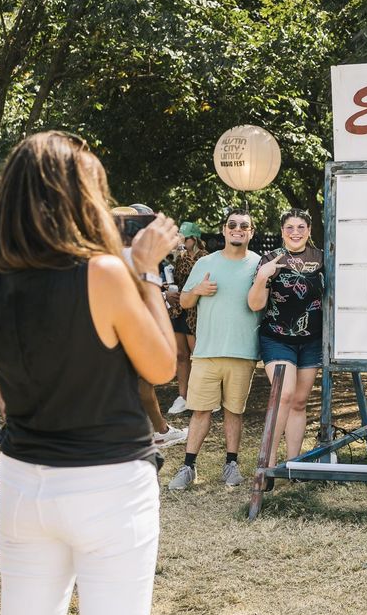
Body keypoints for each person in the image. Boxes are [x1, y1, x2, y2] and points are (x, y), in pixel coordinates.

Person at [0, 130, 180, 615]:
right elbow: (162, 366)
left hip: (20, 483)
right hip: (107, 483)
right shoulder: (103, 274)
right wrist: (145, 272)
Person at [167, 209, 261, 490]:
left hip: (243, 351)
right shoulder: (205, 262)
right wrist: (198, 291)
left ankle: (231, 464)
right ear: (223, 230)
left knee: (234, 411)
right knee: (200, 411)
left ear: (251, 232)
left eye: (244, 226)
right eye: (232, 225)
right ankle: (188, 466)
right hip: (207, 351)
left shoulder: (259, 264)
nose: (237, 229)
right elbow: (183, 302)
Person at [248, 208, 324, 477]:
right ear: (282, 232)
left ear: (309, 230)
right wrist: (262, 276)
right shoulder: (270, 259)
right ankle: (266, 464)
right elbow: (255, 303)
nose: (295, 232)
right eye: (289, 227)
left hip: (311, 341)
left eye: (301, 227)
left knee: (300, 402)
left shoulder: (322, 259)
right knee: (284, 395)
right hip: (277, 338)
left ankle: (294, 464)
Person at [112, 205, 187, 449]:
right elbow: (139, 294)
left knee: (138, 384)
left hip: (119, 328)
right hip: (133, 327)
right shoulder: (135, 256)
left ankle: (158, 430)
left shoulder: (106, 255)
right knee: (144, 382)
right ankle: (157, 431)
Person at [165, 221, 208, 415]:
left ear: (194, 239)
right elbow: (168, 271)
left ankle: (203, 395)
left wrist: (181, 252)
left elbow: (195, 275)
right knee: (181, 355)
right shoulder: (177, 256)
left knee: (197, 355)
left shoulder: (204, 257)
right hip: (178, 310)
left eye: (185, 238)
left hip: (195, 312)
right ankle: (182, 396)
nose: (181, 241)